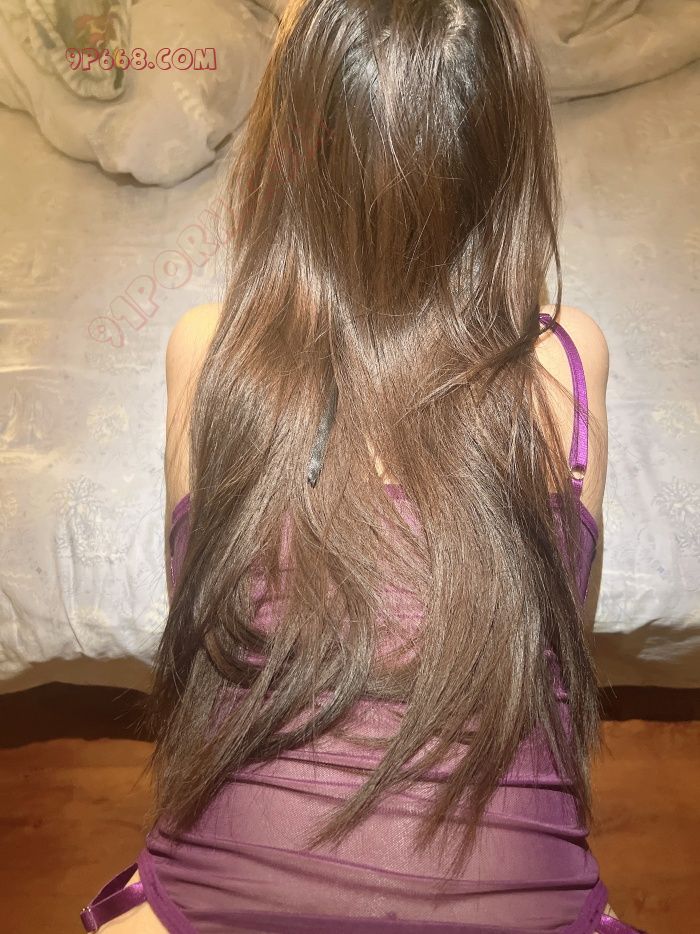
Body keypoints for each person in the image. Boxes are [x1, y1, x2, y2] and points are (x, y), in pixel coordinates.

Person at [80, 1, 645, 931]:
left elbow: (207, 624)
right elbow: (555, 645)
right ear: (508, 152)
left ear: (288, 147)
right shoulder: (568, 358)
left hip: (214, 899)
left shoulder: (208, 352)